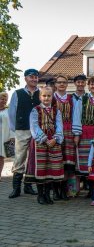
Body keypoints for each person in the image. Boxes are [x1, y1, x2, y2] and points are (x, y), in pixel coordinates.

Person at [72, 76, 94, 198]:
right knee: (85, 160)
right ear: (89, 86)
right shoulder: (83, 99)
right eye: (92, 84)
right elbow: (77, 116)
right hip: (84, 133)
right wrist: (77, 134)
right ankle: (88, 188)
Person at [29, 86, 64, 204]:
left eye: (49, 96)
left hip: (53, 142)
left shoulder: (56, 111)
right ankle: (40, 195)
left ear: (52, 97)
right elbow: (34, 126)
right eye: (44, 95)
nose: (46, 98)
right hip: (41, 143)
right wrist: (44, 139)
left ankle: (47, 194)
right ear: (40, 97)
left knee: (51, 169)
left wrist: (55, 138)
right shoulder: (35, 110)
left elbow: (59, 126)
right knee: (42, 168)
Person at [8, 68, 40, 198]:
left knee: (33, 159)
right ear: (25, 78)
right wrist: (14, 131)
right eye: (31, 77)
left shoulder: (41, 93)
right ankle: (16, 188)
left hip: (37, 130)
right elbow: (11, 113)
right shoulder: (18, 93)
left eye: (36, 77)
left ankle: (28, 186)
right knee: (19, 158)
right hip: (22, 129)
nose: (34, 79)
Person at [52, 75, 76, 200]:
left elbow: (75, 116)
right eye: (59, 82)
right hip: (55, 131)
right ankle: (56, 191)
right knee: (56, 162)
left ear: (67, 84)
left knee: (68, 163)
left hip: (69, 131)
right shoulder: (51, 97)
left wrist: (76, 133)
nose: (61, 84)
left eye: (64, 82)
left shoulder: (71, 98)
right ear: (55, 84)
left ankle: (65, 191)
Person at [0, 92, 15, 181]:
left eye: (5, 100)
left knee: (1, 156)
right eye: (2, 99)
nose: (4, 101)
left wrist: (12, 136)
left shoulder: (8, 111)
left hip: (3, 136)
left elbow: (11, 125)